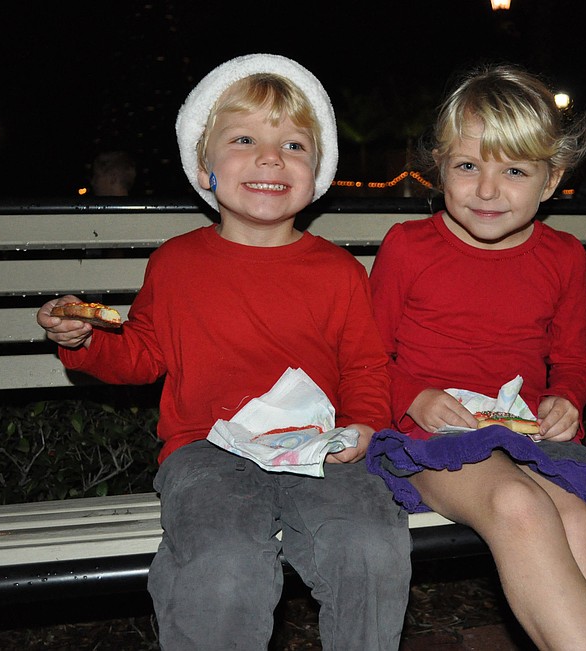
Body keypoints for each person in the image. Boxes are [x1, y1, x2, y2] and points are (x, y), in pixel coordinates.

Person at [37, 54, 411, 650]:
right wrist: (85, 340)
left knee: (369, 545)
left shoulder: (338, 272)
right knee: (223, 561)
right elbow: (142, 353)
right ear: (205, 168)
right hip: (206, 448)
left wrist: (366, 424)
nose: (270, 157)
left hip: (318, 446)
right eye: (244, 139)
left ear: (316, 174)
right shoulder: (177, 263)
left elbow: (364, 364)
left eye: (293, 144)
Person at [365, 63, 586, 651]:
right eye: (468, 166)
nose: (487, 190)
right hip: (428, 435)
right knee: (520, 506)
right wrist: (412, 394)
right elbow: (365, 358)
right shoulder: (409, 248)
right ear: (441, 167)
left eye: (514, 170)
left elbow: (573, 362)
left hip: (522, 433)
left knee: (576, 521)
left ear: (551, 179)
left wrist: (567, 397)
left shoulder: (563, 256)